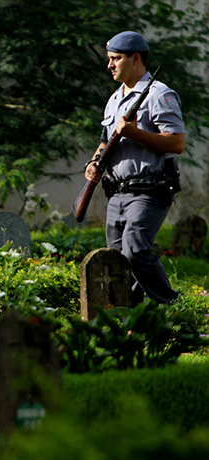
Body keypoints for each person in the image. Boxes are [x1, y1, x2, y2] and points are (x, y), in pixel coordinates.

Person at [84, 31, 185, 304]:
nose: (110, 65)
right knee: (116, 260)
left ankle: (171, 305)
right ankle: (130, 317)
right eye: (109, 59)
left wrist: (135, 133)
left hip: (149, 189)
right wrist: (95, 163)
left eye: (115, 58)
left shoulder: (159, 94)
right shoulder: (114, 99)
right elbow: (106, 141)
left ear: (135, 58)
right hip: (117, 192)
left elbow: (177, 142)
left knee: (136, 251)